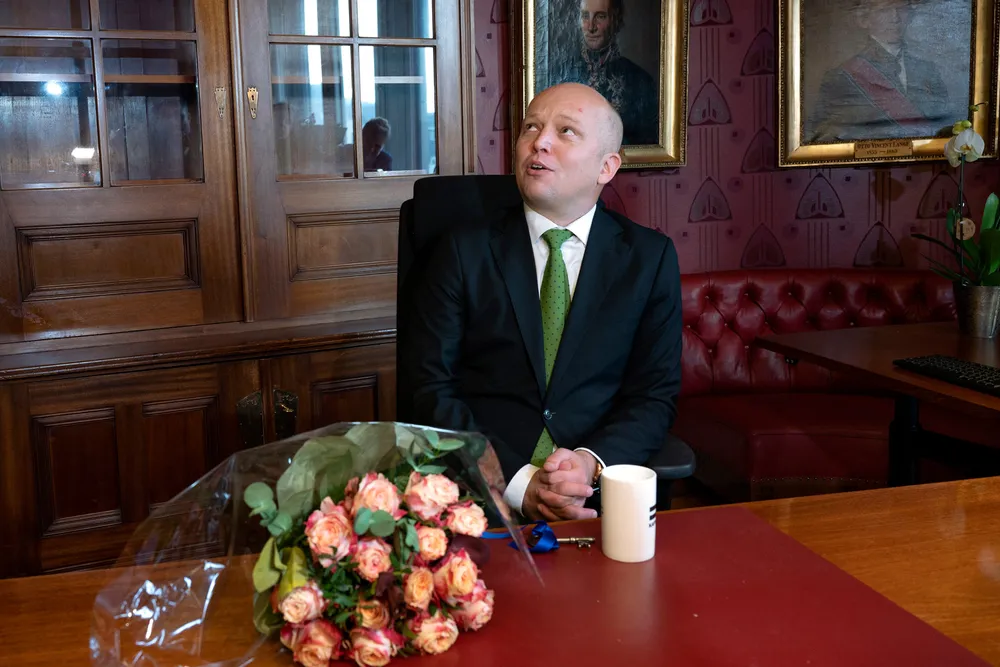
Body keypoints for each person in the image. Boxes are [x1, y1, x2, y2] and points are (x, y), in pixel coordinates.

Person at [408, 83, 682, 521]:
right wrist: (519, 482)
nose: (540, 142)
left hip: (596, 497)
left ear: (607, 167)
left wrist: (590, 464)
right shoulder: (462, 251)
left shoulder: (649, 259)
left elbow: (653, 395)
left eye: (565, 131)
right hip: (478, 494)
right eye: (530, 128)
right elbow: (430, 389)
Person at [806, 0, 953, 142]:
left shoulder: (928, 71)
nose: (895, 18)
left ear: (910, 14)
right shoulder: (840, 77)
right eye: (885, 10)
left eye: (901, 8)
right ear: (864, 19)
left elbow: (943, 128)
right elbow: (824, 138)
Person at [565, 0, 659, 146]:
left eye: (600, 16)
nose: (591, 27)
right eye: (585, 16)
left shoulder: (639, 80)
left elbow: (646, 144)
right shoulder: (561, 72)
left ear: (615, 20)